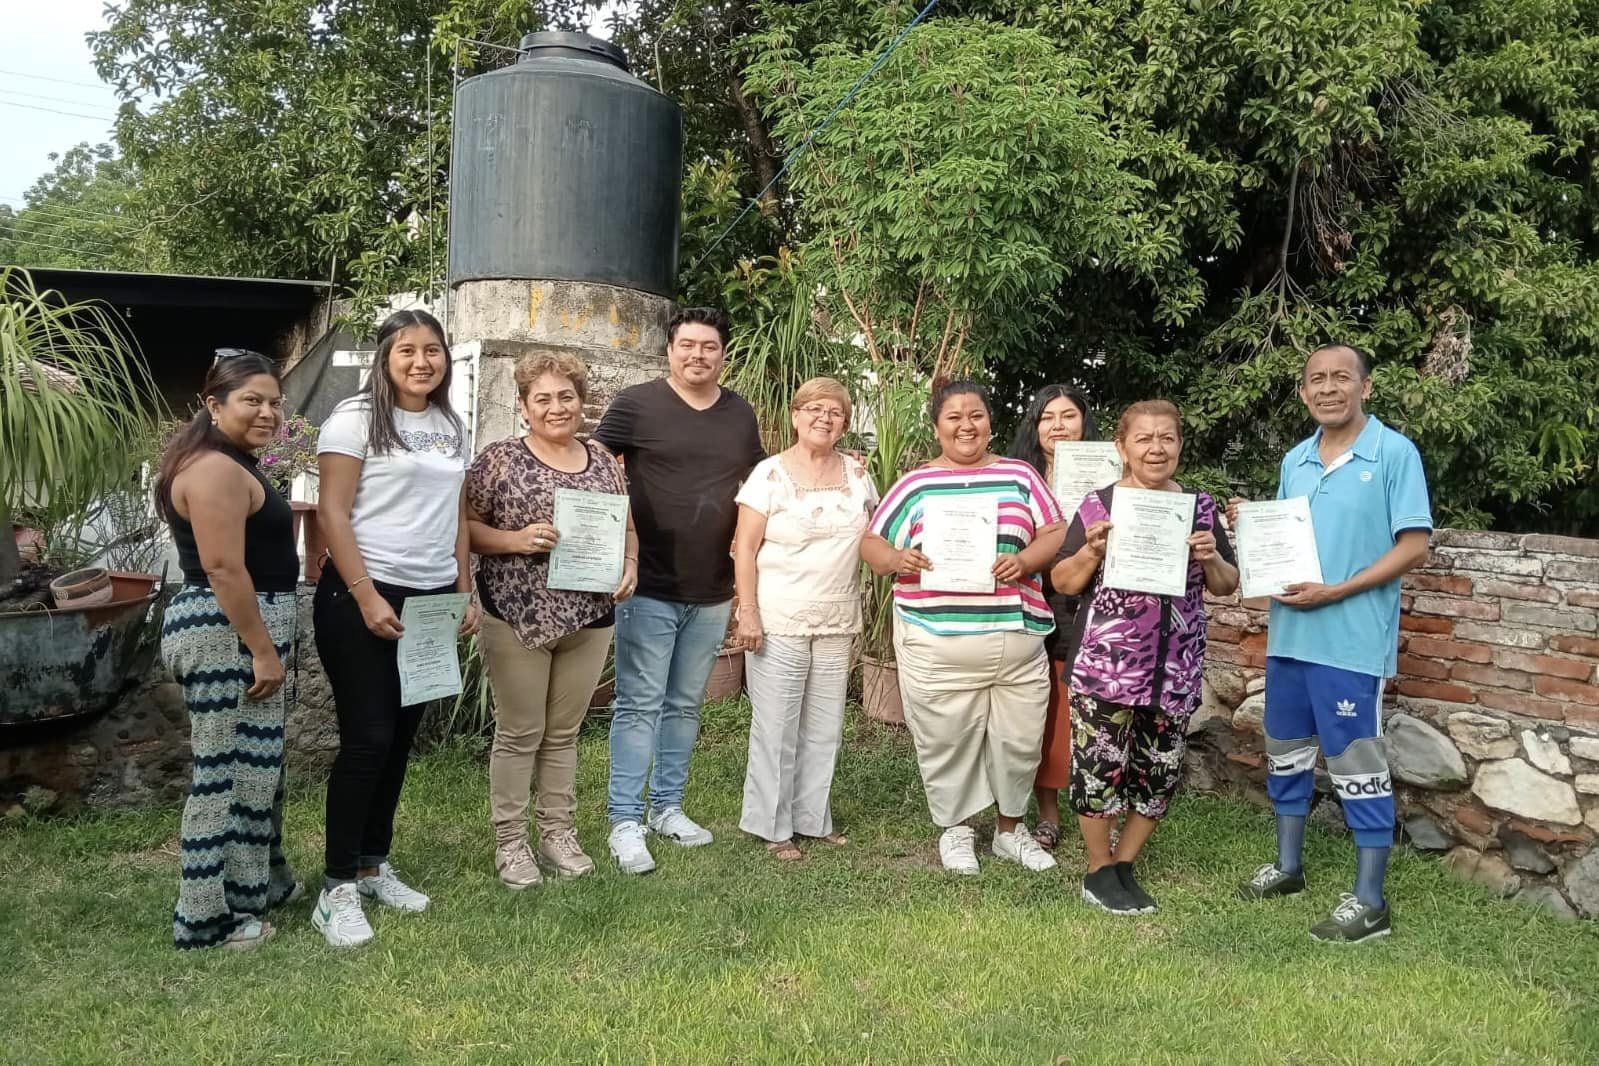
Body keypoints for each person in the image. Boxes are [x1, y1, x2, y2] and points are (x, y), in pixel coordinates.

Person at [1233, 343, 1431, 943]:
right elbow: (1287, 544)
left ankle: (1371, 901)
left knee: (1356, 764)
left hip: (1350, 641)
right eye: (1316, 379)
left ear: (1365, 387)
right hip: (1290, 636)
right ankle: (1288, 867)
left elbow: (1414, 546)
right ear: (1302, 392)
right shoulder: (1295, 459)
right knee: (1286, 752)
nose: (1327, 388)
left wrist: (1336, 590)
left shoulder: (1394, 453)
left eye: (1341, 377)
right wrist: (1252, 524)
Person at [311, 309, 480, 948]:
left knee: (402, 737)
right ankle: (337, 888)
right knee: (368, 739)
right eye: (407, 350)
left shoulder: (448, 425)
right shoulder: (354, 419)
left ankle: (373, 864)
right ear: (385, 357)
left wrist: (463, 586)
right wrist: (364, 593)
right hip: (362, 594)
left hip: (431, 597)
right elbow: (332, 509)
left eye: (432, 350)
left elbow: (456, 515)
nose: (421, 361)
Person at [860, 379, 1064, 876]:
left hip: (1015, 638)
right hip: (936, 639)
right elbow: (871, 543)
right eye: (954, 417)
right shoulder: (914, 483)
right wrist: (896, 557)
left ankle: (1010, 832)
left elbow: (1054, 530)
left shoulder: (1021, 476)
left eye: (975, 415)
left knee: (1019, 739)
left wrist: (1024, 559)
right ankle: (956, 830)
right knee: (946, 738)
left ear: (990, 423)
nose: (966, 425)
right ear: (937, 427)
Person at [593, 306, 766, 874]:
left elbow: (766, 483)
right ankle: (625, 820)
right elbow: (591, 466)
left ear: (722, 354)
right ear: (669, 350)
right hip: (649, 585)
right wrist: (616, 545)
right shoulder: (636, 404)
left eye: (709, 347)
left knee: (685, 705)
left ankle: (667, 807)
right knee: (639, 705)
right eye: (687, 345)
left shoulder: (739, 415)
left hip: (712, 588)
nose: (698, 355)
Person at [1051, 400, 1238, 915]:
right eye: (1144, 439)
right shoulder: (1098, 506)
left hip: (1174, 668)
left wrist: (1212, 556)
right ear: (1122, 446)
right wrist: (1091, 551)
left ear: (1179, 445)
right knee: (1098, 767)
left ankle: (1124, 861)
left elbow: (1226, 585)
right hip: (1106, 665)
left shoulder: (1200, 508)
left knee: (1158, 770)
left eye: (1167, 438)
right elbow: (1062, 581)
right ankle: (1098, 869)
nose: (1156, 448)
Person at [465, 352, 639, 888]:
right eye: (542, 398)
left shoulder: (605, 461)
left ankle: (558, 832)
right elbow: (465, 527)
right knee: (520, 732)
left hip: (590, 615)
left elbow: (627, 527)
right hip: (518, 614)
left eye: (566, 396)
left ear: (581, 403)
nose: (556, 407)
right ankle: (511, 842)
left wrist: (630, 562)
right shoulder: (498, 460)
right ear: (523, 406)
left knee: (563, 733)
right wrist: (513, 541)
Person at [156, 351, 301, 950]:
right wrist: (262, 650)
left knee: (256, 769)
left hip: (238, 626)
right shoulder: (214, 469)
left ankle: (253, 887)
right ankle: (204, 920)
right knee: (223, 776)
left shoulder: (229, 462)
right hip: (227, 630)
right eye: (252, 400)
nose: (267, 412)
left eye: (274, 401)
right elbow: (221, 566)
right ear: (214, 406)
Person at [732, 378, 877, 861]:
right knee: (776, 726)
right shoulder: (768, 475)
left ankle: (813, 818)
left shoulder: (857, 475)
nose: (824, 418)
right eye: (813, 409)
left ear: (845, 422)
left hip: (837, 617)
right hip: (779, 617)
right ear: (795, 416)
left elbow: (877, 534)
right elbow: (745, 549)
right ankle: (772, 825)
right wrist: (746, 610)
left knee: (825, 725)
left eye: (835, 411)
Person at [1006, 384, 1102, 852]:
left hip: (1089, 602)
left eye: (1068, 416)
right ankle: (1047, 813)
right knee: (1042, 709)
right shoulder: (1014, 477)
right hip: (1030, 599)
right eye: (1048, 417)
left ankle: (1099, 806)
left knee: (1082, 708)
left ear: (1085, 423)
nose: (1058, 426)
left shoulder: (1115, 477)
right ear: (1034, 425)